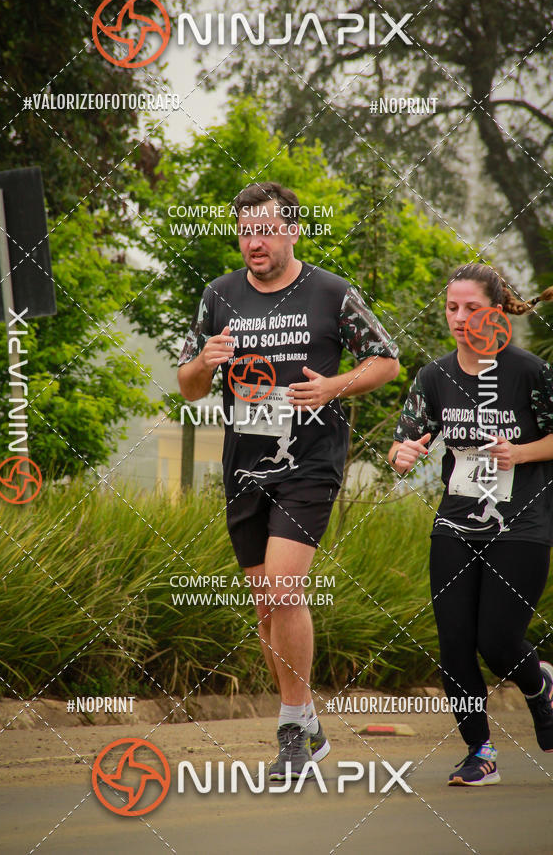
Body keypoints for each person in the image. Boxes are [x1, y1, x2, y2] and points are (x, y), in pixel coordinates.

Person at [178, 181, 399, 779]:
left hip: (310, 463)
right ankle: (306, 721)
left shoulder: (331, 292)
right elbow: (188, 385)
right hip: (243, 465)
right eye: (246, 230)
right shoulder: (218, 296)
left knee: (282, 590)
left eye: (267, 230)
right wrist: (205, 362)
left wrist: (332, 387)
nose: (255, 241)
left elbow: (387, 359)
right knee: (265, 606)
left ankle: (290, 729)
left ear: (293, 231)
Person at [389, 262, 553, 786]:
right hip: (456, 524)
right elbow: (406, 436)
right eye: (452, 308)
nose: (460, 319)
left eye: (473, 309)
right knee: (455, 642)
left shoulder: (528, 372)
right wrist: (404, 452)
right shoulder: (434, 377)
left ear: (497, 311)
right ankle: (479, 750)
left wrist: (520, 453)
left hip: (522, 526)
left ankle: (540, 686)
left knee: (499, 642)